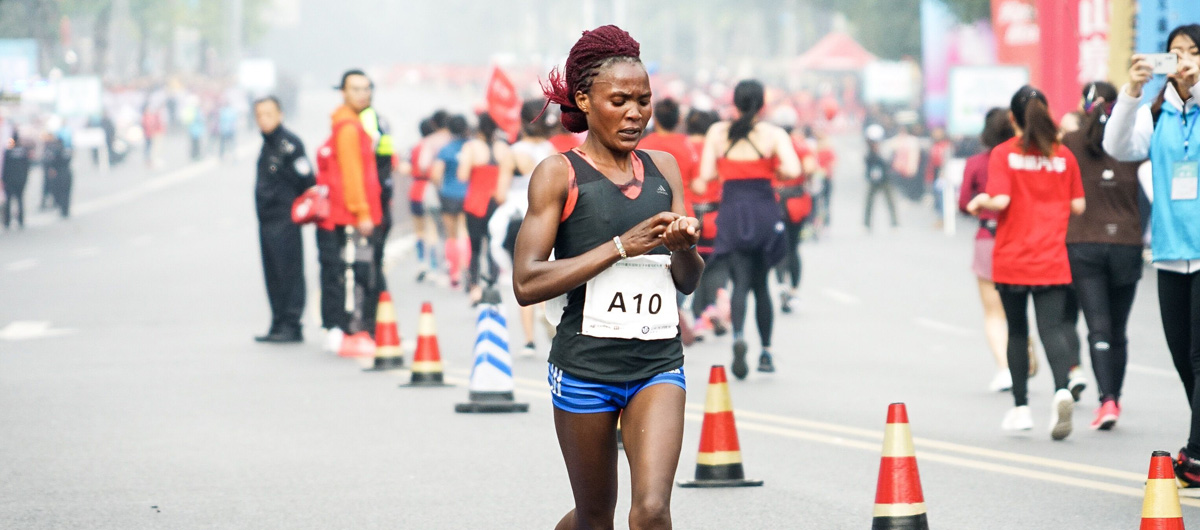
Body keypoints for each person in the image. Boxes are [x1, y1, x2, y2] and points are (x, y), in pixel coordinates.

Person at [512, 25, 702, 530]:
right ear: (584, 100)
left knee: (652, 511)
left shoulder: (665, 168)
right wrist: (622, 247)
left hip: (657, 363)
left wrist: (684, 249)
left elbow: (687, 280)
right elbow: (526, 283)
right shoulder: (558, 174)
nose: (636, 112)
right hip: (584, 368)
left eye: (644, 100)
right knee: (596, 517)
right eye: (619, 100)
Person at [1103, 23, 1200, 480]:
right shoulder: (1157, 113)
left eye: (1195, 53)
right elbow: (1116, 146)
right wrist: (1132, 91)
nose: (1184, 61)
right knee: (1184, 358)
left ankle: (1197, 453)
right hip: (1168, 250)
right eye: (1175, 53)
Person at [967, 86, 1086, 440]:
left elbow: (1001, 199)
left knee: (1018, 331)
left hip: (1013, 257)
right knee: (1053, 328)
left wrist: (978, 203)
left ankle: (1020, 409)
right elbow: (1078, 206)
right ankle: (1062, 389)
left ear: (1013, 119)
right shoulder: (1063, 155)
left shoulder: (1004, 153)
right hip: (1051, 257)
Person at [693, 79, 801, 378]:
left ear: (735, 103)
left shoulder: (718, 132)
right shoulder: (773, 134)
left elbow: (706, 175)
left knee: (739, 280)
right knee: (761, 284)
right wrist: (772, 170)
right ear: (762, 104)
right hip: (764, 209)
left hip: (733, 211)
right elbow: (794, 170)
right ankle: (765, 352)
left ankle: (738, 338)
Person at [1062, 81, 1146, 431]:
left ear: (1084, 107)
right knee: (1119, 329)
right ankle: (1117, 397)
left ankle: (1106, 400)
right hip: (1127, 241)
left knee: (1097, 326)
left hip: (1083, 242)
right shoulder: (1133, 145)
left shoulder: (1069, 144)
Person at [959, 108, 1034, 392]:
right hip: (1025, 236)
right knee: (1020, 303)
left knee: (993, 312)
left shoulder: (978, 163)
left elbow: (964, 202)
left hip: (988, 238)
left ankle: (1005, 367)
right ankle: (1023, 347)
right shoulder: (1025, 159)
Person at [316, 70, 384, 352]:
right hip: (351, 215)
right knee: (356, 273)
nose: (362, 94)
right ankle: (351, 329)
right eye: (355, 89)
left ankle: (346, 327)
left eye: (366, 88)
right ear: (343, 92)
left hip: (348, 213)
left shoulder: (349, 123)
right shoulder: (347, 127)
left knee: (351, 271)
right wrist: (362, 211)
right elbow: (352, 174)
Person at [496, 99, 557, 357]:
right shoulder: (552, 151)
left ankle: (529, 340)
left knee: (521, 278)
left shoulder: (512, 154)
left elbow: (500, 194)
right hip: (548, 219)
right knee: (544, 274)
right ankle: (546, 312)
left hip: (517, 218)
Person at [252, 96, 314, 343]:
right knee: (273, 273)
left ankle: (291, 323)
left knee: (289, 271)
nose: (264, 119)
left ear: (280, 114)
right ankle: (277, 322)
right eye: (259, 115)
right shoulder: (268, 144)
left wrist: (292, 208)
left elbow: (308, 180)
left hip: (285, 220)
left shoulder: (290, 144)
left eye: (268, 114)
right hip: (266, 220)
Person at [683, 109, 729, 337]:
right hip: (715, 216)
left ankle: (697, 317)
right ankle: (713, 307)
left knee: (692, 266)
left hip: (687, 217)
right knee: (718, 264)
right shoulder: (717, 150)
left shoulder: (682, 147)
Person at [460, 111, 514, 303]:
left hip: (475, 203)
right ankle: (492, 283)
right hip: (496, 202)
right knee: (493, 244)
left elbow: (463, 175)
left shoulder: (471, 147)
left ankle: (474, 285)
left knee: (475, 247)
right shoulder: (503, 148)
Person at [360, 100, 397, 323]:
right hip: (383, 197)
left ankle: (372, 321)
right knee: (376, 262)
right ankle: (381, 318)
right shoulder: (379, 118)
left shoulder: (365, 119)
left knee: (370, 264)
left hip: (374, 203)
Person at [430, 115, 470, 289]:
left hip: (449, 195)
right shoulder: (471, 147)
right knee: (464, 233)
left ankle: (454, 274)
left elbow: (436, 174)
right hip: (467, 194)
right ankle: (466, 269)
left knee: (451, 235)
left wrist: (441, 189)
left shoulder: (445, 149)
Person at [408, 118, 439, 282]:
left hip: (415, 189)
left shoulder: (415, 147)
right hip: (429, 189)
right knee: (432, 230)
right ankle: (433, 266)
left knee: (419, 230)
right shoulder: (433, 145)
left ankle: (421, 262)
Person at [863, 124, 898, 231]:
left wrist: (879, 154)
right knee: (869, 201)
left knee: (890, 201)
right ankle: (867, 224)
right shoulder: (869, 152)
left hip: (885, 179)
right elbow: (867, 163)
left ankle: (894, 223)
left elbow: (888, 163)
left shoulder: (885, 149)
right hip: (873, 180)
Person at [42, 128, 73, 219]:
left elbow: (50, 161)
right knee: (66, 193)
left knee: (60, 192)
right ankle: (65, 210)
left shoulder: (55, 150)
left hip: (59, 173)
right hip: (66, 172)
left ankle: (63, 209)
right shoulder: (67, 150)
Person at [3, 130, 31, 230]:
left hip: (10, 180)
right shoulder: (23, 151)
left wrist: (3, 180)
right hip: (21, 179)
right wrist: (25, 178)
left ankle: (7, 221)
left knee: (9, 201)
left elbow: (5, 167)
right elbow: (27, 166)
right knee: (20, 199)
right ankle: (21, 220)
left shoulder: (8, 151)